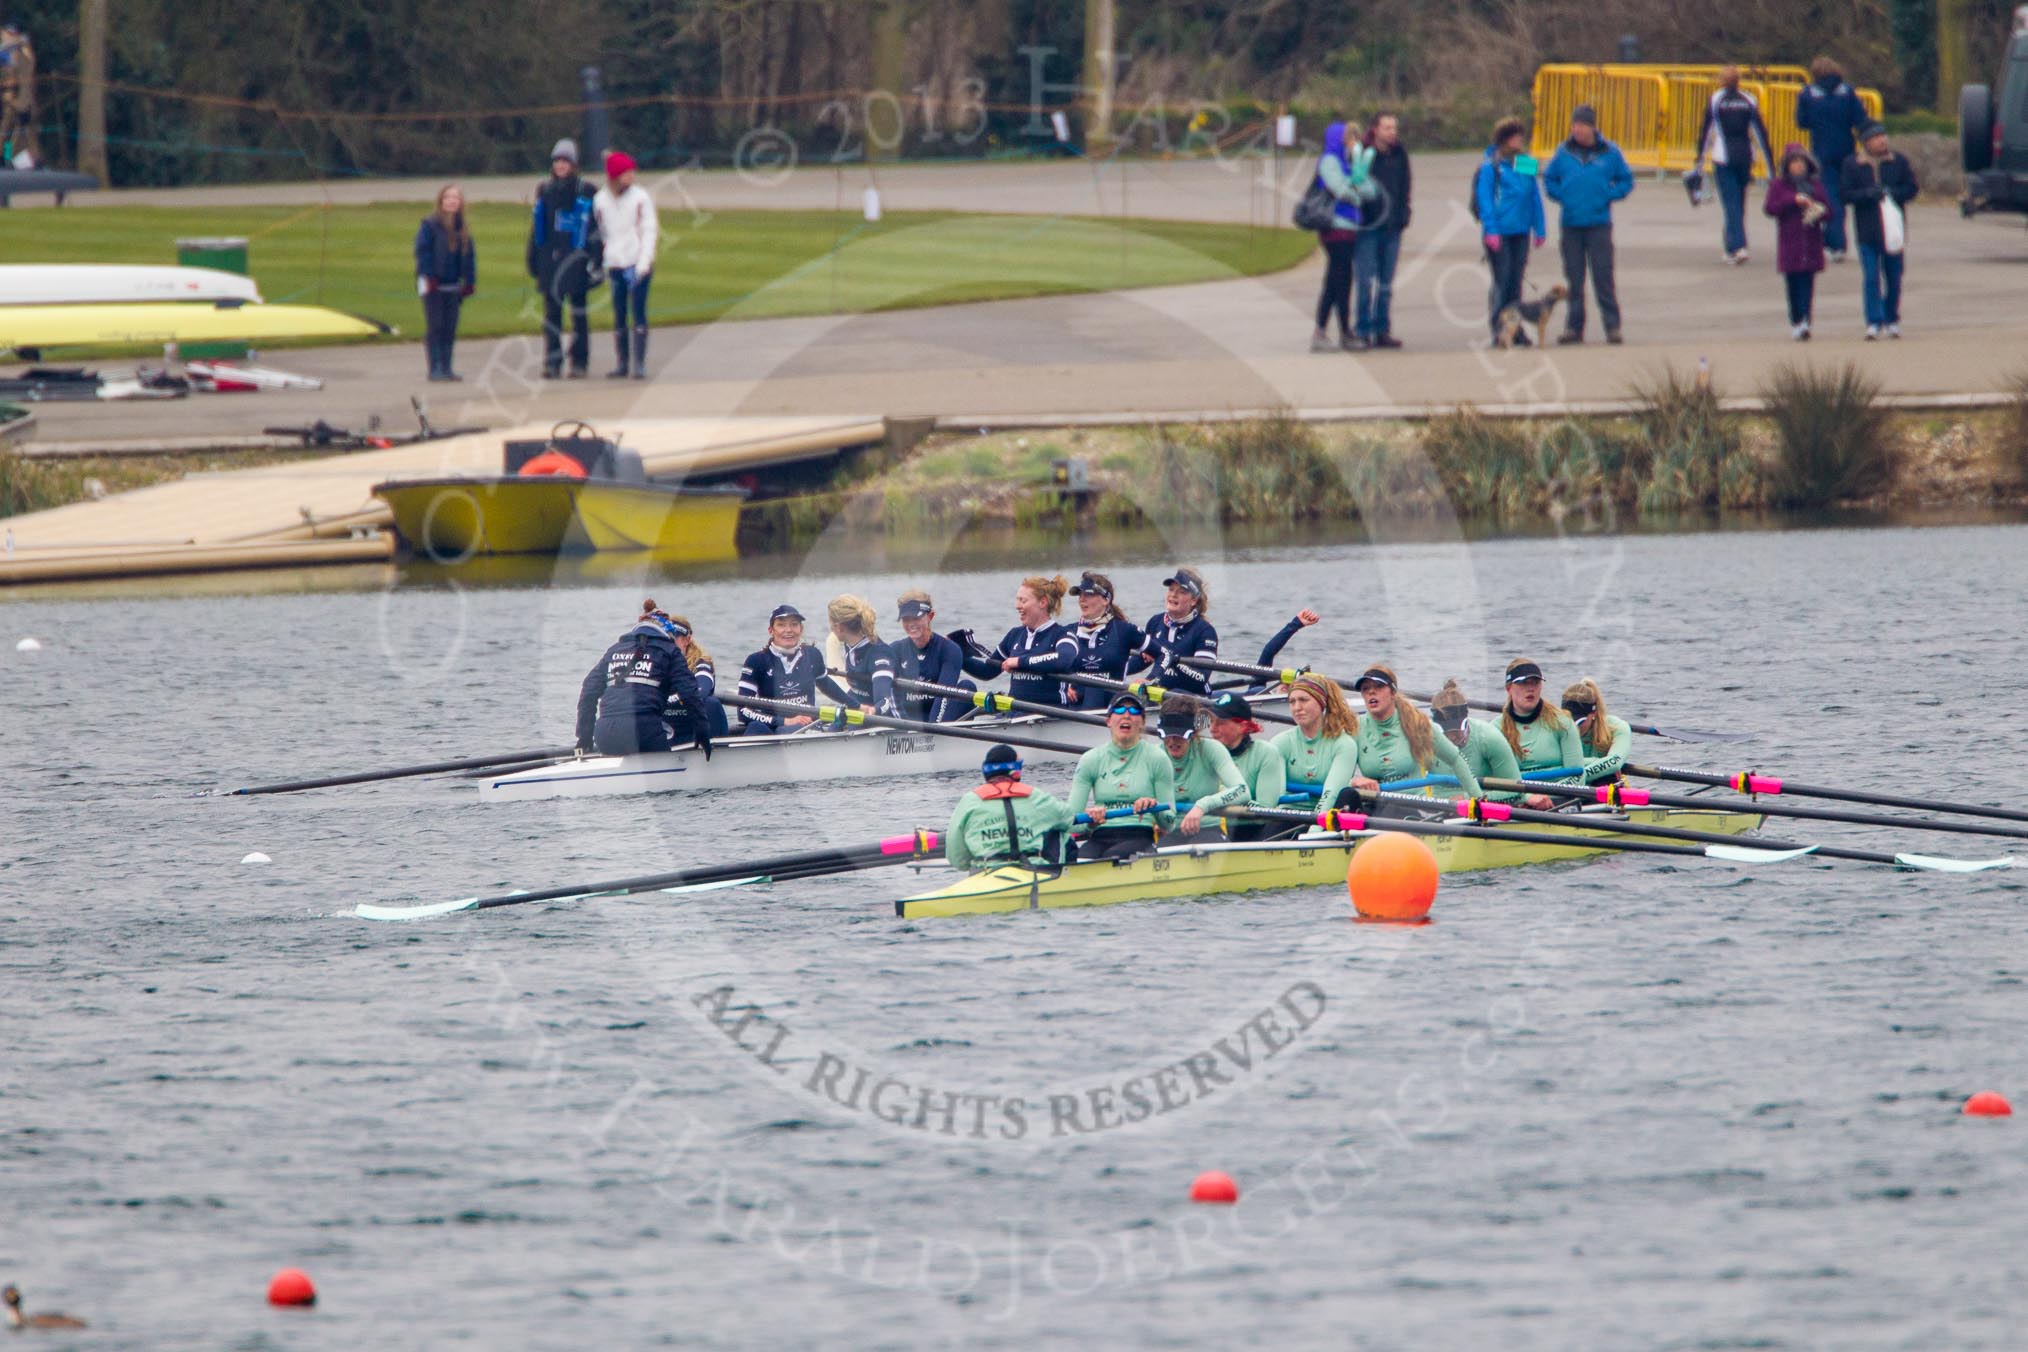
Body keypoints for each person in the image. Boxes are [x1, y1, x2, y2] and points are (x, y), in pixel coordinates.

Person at [1541, 105, 1633, 346]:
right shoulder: (1563, 152)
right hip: (1571, 224)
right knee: (1574, 278)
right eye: (1574, 125)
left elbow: (1626, 180)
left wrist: (1609, 195)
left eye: (1581, 125)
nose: (1577, 130)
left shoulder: (1610, 152)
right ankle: (1574, 328)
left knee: (1603, 276)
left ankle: (1612, 327)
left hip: (1599, 224)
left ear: (1592, 126)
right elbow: (1549, 178)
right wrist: (1561, 195)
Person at [575, 600, 715, 757]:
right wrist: (702, 733)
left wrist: (584, 739)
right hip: (644, 731)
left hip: (605, 733)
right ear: (665, 632)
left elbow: (588, 690)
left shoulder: (614, 650)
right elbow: (689, 693)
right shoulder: (670, 651)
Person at [1067, 692, 1178, 859]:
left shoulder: (1158, 759)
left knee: (1113, 856)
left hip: (1140, 834)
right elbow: (1071, 823)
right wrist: (1090, 823)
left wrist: (1154, 808)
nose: (1127, 715)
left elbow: (1169, 824)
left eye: (1134, 711)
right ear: (1108, 721)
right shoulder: (1090, 759)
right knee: (1079, 858)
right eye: (1119, 710)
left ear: (1142, 723)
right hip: (1100, 835)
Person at [526, 138, 602, 379]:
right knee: (552, 315)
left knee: (579, 313)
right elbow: (538, 227)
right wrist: (533, 258)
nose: (560, 165)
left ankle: (580, 361)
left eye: (565, 161)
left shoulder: (586, 190)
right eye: (557, 161)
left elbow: (595, 229)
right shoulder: (545, 191)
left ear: (573, 164)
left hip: (576, 260)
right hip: (551, 259)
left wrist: (595, 259)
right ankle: (553, 360)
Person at [1346, 665, 1482, 800]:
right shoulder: (1355, 728)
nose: (1371, 692)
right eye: (1365, 689)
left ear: (1393, 692)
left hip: (1412, 806)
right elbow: (1336, 777)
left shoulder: (1417, 723)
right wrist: (1353, 781)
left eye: (1378, 687)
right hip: (1373, 805)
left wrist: (1479, 800)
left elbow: (1456, 759)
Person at [1842, 122, 1918, 340]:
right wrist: (1867, 194)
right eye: (1876, 137)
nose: (1882, 141)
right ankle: (1873, 321)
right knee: (1871, 278)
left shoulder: (1898, 161)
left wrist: (1892, 192)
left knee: (1894, 277)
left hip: (1893, 232)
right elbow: (1845, 194)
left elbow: (1912, 189)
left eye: (1884, 136)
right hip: (1868, 231)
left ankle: (1892, 318)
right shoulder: (1853, 164)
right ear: (1866, 142)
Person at [943, 745, 1075, 871]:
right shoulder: (1036, 796)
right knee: (1062, 832)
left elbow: (956, 858)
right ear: (1016, 771)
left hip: (985, 872)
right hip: (1033, 871)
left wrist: (970, 862)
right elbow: (1070, 820)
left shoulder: (970, 800)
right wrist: (1091, 822)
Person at [1475, 117, 1546, 347]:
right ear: (1506, 140)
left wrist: (1540, 226)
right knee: (1501, 281)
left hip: (1521, 231)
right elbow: (1484, 200)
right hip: (1500, 232)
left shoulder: (1526, 163)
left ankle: (1514, 329)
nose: (1520, 140)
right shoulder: (1491, 166)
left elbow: (1534, 196)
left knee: (1516, 283)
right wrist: (1491, 230)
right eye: (1516, 136)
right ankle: (1498, 329)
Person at [1693, 67, 1775, 265]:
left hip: (1723, 158)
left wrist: (1699, 160)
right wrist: (1771, 168)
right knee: (1739, 202)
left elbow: (1706, 131)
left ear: (1722, 80)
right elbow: (1760, 133)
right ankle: (1731, 246)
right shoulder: (1748, 99)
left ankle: (1738, 246)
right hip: (1745, 156)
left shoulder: (1716, 100)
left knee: (1731, 203)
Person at [959, 575, 1076, 709]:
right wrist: (955, 654)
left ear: (1043, 603)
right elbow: (987, 671)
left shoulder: (1062, 634)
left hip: (1052, 715)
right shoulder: (1015, 635)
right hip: (1015, 714)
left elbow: (1063, 659)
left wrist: (1020, 662)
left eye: (1023, 600)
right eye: (1017, 600)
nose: (1017, 606)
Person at [1309, 120, 1376, 352]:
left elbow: (1370, 190)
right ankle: (1343, 331)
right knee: (1341, 279)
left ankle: (1323, 331)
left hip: (1349, 228)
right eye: (1349, 138)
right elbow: (1340, 189)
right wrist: (1355, 189)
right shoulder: (1329, 161)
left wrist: (1357, 181)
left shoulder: (1349, 163)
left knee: (1335, 281)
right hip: (1334, 227)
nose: (1353, 143)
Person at [1795, 56, 1869, 261]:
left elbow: (1802, 122)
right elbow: (1860, 119)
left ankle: (1835, 242)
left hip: (1822, 152)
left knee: (1828, 196)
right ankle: (1833, 239)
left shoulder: (1808, 94)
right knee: (1841, 195)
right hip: (1846, 149)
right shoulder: (1847, 92)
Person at [593, 150, 657, 380]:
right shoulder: (600, 200)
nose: (631, 177)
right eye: (626, 173)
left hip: (637, 262)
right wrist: (605, 259)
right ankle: (622, 362)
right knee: (619, 314)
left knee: (638, 312)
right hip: (616, 264)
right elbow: (602, 232)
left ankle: (639, 363)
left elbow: (649, 230)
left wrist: (644, 262)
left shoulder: (640, 198)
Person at [1355, 112, 1412, 349]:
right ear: (1375, 129)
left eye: (1394, 128)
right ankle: (1362, 328)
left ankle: (1382, 329)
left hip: (1393, 226)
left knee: (1386, 283)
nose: (1392, 132)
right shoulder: (1364, 154)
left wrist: (1404, 213)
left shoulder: (1400, 154)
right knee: (1365, 281)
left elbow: (1406, 185)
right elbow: (1356, 183)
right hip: (1368, 227)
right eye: (1387, 127)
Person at [1156, 694, 1248, 838]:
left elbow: (1242, 790)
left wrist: (1202, 806)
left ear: (1195, 731)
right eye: (1167, 735)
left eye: (1180, 735)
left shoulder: (1211, 749)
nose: (1172, 741)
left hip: (1208, 828)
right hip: (1171, 831)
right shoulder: (1156, 755)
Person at [1499, 657, 1585, 809]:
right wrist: (1525, 798)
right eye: (1523, 682)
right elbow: (1494, 782)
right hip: (1518, 804)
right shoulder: (1495, 730)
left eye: (1535, 682)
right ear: (1508, 688)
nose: (1530, 688)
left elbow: (1577, 776)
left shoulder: (1563, 723)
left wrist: (1547, 798)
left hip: (1562, 803)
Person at [1765, 144, 1831, 341]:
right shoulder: (1778, 185)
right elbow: (1770, 208)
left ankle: (1806, 322)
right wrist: (1793, 200)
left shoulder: (1815, 185)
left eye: (1801, 162)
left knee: (1807, 284)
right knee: (1792, 285)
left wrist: (1816, 207)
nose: (1798, 166)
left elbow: (1829, 211)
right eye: (1794, 162)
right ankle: (1795, 321)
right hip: (1790, 244)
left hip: (1811, 243)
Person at [414, 183, 476, 382]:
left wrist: (469, 281)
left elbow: (469, 257)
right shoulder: (429, 225)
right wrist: (428, 276)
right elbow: (422, 252)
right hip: (433, 284)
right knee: (436, 325)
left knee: (450, 326)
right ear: (441, 201)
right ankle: (435, 367)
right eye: (448, 197)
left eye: (455, 198)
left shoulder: (463, 228)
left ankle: (447, 366)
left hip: (453, 284)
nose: (452, 201)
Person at [1207, 691, 1290, 840]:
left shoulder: (1266, 753)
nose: (1212, 729)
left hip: (1250, 828)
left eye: (1220, 723)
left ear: (1243, 726)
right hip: (1212, 827)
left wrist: (1223, 797)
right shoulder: (1205, 753)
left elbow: (1265, 811)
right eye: (1211, 721)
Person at [734, 604, 828, 734]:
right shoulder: (756, 661)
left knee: (784, 730)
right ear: (770, 630)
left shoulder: (812, 655)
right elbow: (743, 712)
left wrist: (857, 706)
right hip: (774, 726)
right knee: (755, 727)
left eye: (794, 624)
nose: (788, 630)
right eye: (781, 625)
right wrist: (784, 721)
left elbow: (828, 686)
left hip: (807, 727)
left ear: (801, 629)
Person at [1272, 673, 1361, 808]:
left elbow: (1331, 796)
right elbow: (1276, 794)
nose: (1297, 707)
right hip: (1289, 812)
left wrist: (1315, 828)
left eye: (1303, 700)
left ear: (1322, 703)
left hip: (1326, 813)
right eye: (1292, 702)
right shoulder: (1280, 742)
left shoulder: (1344, 745)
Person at [1429, 680, 1525, 803]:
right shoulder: (1424, 739)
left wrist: (1466, 798)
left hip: (1478, 810)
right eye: (1446, 732)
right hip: (1435, 809)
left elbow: (1517, 791)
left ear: (1466, 720)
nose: (1452, 737)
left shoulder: (1489, 737)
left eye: (1457, 730)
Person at [1130, 567, 1218, 696]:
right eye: (1171, 590)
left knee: (1174, 694)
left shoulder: (1204, 631)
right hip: (1159, 692)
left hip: (1193, 697)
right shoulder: (1155, 622)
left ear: (1193, 600)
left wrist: (1170, 658)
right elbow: (1142, 660)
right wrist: (1110, 668)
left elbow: (1201, 678)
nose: (1173, 595)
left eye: (1181, 592)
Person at [1062, 572, 1143, 711]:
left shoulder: (1123, 630)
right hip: (1077, 701)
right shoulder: (1068, 631)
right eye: (1080, 595)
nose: (1082, 599)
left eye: (1088, 595)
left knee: (1095, 685)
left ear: (1105, 600)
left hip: (1111, 704)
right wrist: (1064, 685)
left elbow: (1163, 654)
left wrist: (1148, 679)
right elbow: (1053, 663)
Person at [889, 590, 972, 721]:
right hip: (907, 720)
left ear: (930, 616)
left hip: (940, 717)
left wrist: (931, 731)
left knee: (967, 687)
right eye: (906, 619)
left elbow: (943, 694)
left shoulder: (949, 650)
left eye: (916, 618)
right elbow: (889, 695)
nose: (911, 624)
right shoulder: (894, 650)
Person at [817, 594, 898, 716]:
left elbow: (884, 702)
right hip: (859, 712)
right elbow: (856, 694)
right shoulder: (850, 645)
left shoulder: (880, 655)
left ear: (839, 628)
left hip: (885, 720)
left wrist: (872, 711)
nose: (830, 628)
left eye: (831, 623)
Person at [662, 612, 730, 743]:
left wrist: (662, 700)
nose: (668, 643)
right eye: (665, 638)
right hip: (668, 730)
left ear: (686, 640)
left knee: (712, 704)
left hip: (695, 729)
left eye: (673, 638)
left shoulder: (702, 662)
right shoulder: (655, 663)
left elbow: (702, 691)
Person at [1561, 678, 1631, 785]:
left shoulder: (1618, 727)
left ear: (1593, 713)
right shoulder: (1553, 726)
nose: (1573, 727)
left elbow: (1614, 763)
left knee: (1608, 776)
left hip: (1604, 786)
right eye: (1568, 720)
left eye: (1579, 721)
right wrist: (1598, 761)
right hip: (1568, 785)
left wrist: (1576, 779)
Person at [0, 21, 36, 165]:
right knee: (6, 133)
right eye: (8, 33)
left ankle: (8, 159)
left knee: (14, 134)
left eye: (12, 34)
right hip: (8, 101)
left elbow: (25, 75)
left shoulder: (21, 52)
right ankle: (5, 159)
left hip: (17, 102)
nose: (9, 36)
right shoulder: (6, 52)